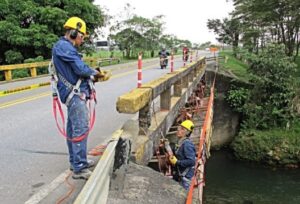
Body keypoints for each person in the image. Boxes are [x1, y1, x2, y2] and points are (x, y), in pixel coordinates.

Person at [52, 16, 103, 180]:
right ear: (73, 33)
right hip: (74, 94)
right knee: (80, 129)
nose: (82, 39)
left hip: (75, 93)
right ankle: (79, 168)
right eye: (81, 36)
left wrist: (92, 75)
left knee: (74, 129)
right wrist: (95, 73)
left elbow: (77, 68)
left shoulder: (66, 48)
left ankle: (77, 161)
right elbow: (80, 68)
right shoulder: (63, 47)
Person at [169, 120, 196, 190]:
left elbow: (192, 161)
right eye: (179, 128)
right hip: (179, 174)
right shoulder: (180, 142)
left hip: (185, 178)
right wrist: (166, 146)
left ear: (187, 132)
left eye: (182, 129)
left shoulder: (187, 144)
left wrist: (177, 162)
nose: (178, 130)